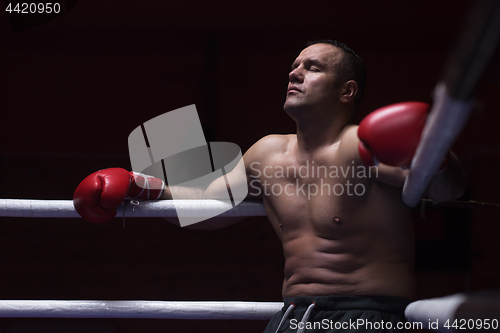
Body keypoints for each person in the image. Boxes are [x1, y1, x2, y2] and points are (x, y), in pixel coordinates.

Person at [73, 40, 466, 332]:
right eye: (294, 66)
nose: (294, 73)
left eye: (312, 68)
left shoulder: (362, 144)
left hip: (370, 313)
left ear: (347, 91)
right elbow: (209, 204)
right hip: (295, 314)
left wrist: (434, 155)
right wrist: (145, 187)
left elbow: (447, 190)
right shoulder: (267, 153)